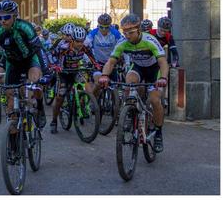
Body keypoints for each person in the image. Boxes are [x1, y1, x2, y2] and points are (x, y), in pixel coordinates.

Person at [99, 14, 169, 153]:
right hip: (137, 68)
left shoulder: (150, 40)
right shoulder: (123, 42)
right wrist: (105, 75)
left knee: (155, 100)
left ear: (139, 30)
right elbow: (111, 61)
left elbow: (162, 62)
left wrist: (163, 78)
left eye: (131, 32)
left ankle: (158, 133)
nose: (127, 35)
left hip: (154, 71)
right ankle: (130, 114)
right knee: (129, 83)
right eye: (125, 32)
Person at [0, 0, 48, 128]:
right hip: (12, 62)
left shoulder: (25, 27)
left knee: (34, 84)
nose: (2, 20)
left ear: (15, 16)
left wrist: (46, 72)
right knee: (10, 96)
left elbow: (39, 50)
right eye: (0, 17)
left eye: (6, 17)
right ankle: (12, 140)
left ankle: (40, 107)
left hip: (30, 60)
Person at [49, 25, 97, 134]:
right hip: (64, 72)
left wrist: (96, 65)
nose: (80, 44)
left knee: (88, 87)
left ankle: (82, 104)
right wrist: (55, 66)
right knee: (60, 96)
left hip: (76, 70)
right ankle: (54, 121)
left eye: (82, 41)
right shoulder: (64, 48)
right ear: (72, 40)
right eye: (77, 41)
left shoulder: (85, 46)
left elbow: (92, 57)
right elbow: (53, 56)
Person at [84, 13, 123, 99]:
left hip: (111, 63)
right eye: (101, 27)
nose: (104, 30)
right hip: (98, 63)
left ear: (110, 26)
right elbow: (84, 45)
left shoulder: (115, 33)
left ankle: (114, 103)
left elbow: (124, 46)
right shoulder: (93, 33)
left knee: (114, 86)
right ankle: (92, 102)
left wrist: (126, 62)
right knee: (98, 83)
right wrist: (87, 60)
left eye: (107, 27)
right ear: (98, 25)